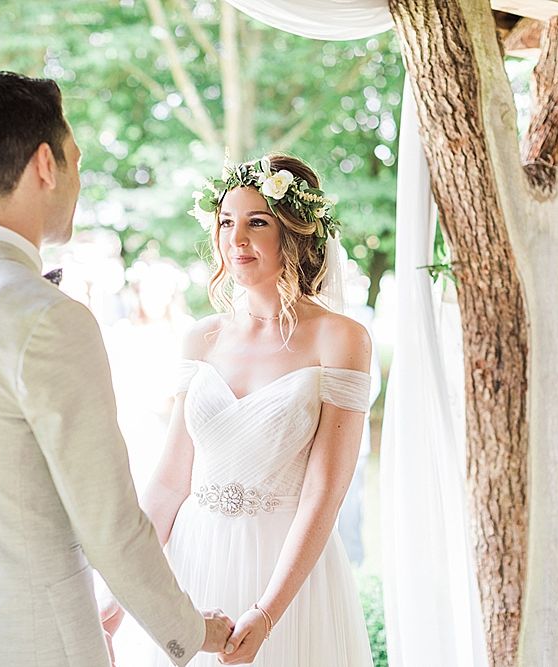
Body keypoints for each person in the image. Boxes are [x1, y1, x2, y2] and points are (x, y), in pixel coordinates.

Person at [0, 71, 233, 667]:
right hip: (35, 644)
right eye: (75, 161)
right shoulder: (47, 320)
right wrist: (192, 630)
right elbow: (109, 521)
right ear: (45, 166)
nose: (78, 182)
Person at [140, 154, 375, 666]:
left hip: (286, 573)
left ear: (294, 233)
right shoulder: (200, 337)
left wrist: (268, 612)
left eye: (257, 222)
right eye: (227, 222)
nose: (236, 238)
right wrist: (125, 591)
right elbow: (168, 482)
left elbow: (324, 492)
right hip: (192, 562)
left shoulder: (341, 339)